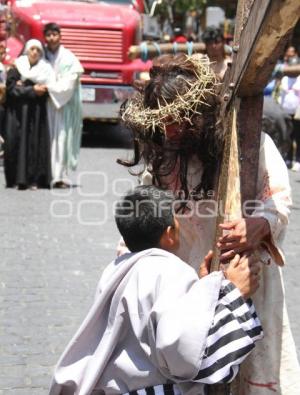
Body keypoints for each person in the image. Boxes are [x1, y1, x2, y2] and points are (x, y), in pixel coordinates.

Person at [120, 54, 299, 394]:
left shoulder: (252, 144)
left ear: (199, 113)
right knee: (194, 367)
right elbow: (146, 220)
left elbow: (280, 201)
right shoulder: (162, 160)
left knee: (251, 369)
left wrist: (259, 224)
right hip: (186, 285)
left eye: (178, 121)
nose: (171, 131)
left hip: (248, 278)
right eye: (165, 124)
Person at [49, 185, 263, 395]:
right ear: (169, 233)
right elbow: (186, 355)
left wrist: (205, 289)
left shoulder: (116, 269)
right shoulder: (173, 269)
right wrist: (234, 291)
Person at [4, 39, 53, 189]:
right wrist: (32, 90)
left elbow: (47, 89)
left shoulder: (45, 69)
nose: (35, 52)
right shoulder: (17, 66)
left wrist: (25, 86)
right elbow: (11, 89)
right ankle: (17, 179)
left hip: (37, 114)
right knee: (16, 143)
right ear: (26, 50)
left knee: (35, 144)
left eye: (38, 50)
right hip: (18, 114)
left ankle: (35, 179)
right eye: (32, 49)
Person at [43, 22, 83, 188]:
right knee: (45, 139)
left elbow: (70, 81)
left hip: (62, 104)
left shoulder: (69, 58)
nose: (52, 38)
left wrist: (50, 88)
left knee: (61, 139)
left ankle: (59, 177)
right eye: (48, 35)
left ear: (60, 36)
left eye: (55, 35)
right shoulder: (40, 54)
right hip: (45, 104)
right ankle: (44, 175)